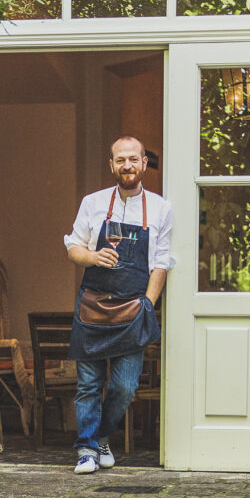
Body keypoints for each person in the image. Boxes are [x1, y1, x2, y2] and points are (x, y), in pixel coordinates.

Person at [64, 136, 174, 474]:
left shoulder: (160, 208)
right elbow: (73, 247)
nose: (127, 165)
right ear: (111, 165)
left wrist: (148, 305)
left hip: (133, 310)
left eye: (133, 159)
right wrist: (93, 256)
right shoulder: (93, 202)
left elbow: (161, 263)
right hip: (94, 306)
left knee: (125, 387)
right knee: (88, 385)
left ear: (144, 163)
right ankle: (87, 449)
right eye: (120, 160)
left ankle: (101, 436)